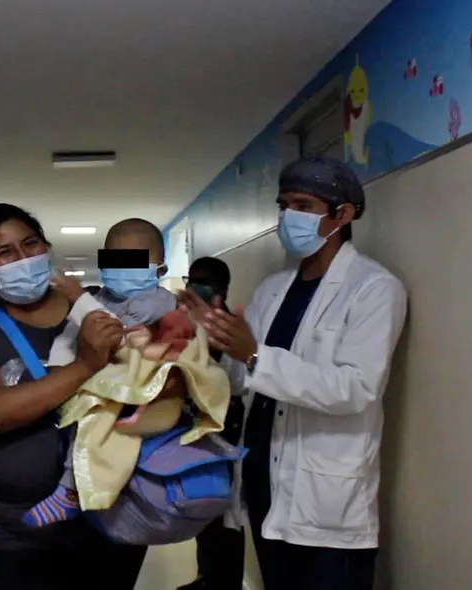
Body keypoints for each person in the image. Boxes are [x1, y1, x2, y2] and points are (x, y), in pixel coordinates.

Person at [179, 157, 407, 590]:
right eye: (283, 205)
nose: (288, 217)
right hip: (267, 488)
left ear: (342, 215)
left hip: (328, 504)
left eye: (303, 205)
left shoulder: (375, 289)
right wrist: (211, 342)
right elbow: (243, 381)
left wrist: (254, 357)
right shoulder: (272, 289)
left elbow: (356, 389)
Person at [0, 203, 149, 589]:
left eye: (31, 244)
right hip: (21, 532)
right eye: (5, 253)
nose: (23, 258)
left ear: (47, 246)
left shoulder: (99, 310)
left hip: (113, 516)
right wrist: (84, 366)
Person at [23, 220, 230, 529]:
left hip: (149, 394)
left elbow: (113, 333)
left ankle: (69, 491)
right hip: (116, 385)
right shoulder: (102, 298)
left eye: (134, 259)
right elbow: (70, 338)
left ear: (159, 268)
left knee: (99, 419)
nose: (122, 268)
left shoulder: (158, 301)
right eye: (114, 258)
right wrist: (58, 370)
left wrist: (80, 300)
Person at [177, 256, 247, 590]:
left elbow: (234, 380)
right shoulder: (182, 323)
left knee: (226, 515)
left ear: (222, 289)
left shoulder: (232, 329)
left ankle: (225, 582)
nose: (198, 287)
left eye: (206, 282)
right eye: (194, 279)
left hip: (226, 428)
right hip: (195, 426)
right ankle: (207, 576)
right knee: (203, 508)